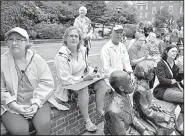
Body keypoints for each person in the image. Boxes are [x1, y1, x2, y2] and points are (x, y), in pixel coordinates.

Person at [53, 26, 109, 132]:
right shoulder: (61, 56)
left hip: (83, 81)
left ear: (79, 39)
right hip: (68, 87)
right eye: (71, 36)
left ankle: (99, 111)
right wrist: (83, 78)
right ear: (65, 39)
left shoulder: (82, 51)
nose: (74, 38)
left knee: (101, 83)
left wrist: (94, 73)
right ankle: (87, 121)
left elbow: (86, 68)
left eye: (76, 36)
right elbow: (65, 80)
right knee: (83, 88)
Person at [1, 27, 55, 135]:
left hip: (37, 99)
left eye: (19, 39)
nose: (14, 43)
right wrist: (16, 107)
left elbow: (47, 82)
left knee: (44, 126)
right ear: (7, 43)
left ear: (26, 42)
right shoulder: (2, 61)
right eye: (10, 39)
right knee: (19, 131)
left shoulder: (37, 59)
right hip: (11, 103)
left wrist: (35, 104)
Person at [133, 60, 178, 135]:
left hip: (150, 109)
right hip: (144, 115)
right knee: (166, 126)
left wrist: (159, 110)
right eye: (151, 72)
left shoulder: (145, 84)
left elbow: (150, 101)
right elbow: (146, 112)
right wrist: (162, 117)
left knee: (171, 115)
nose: (153, 74)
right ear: (144, 74)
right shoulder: (141, 90)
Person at [103, 70, 155, 135]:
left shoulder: (125, 96)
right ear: (121, 88)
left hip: (127, 129)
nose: (133, 83)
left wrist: (143, 130)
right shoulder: (115, 111)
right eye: (130, 82)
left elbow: (131, 116)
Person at [153, 44, 184, 135]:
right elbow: (162, 80)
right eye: (172, 51)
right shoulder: (161, 63)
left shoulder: (176, 64)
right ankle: (178, 127)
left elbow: (178, 79)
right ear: (167, 52)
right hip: (162, 90)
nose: (175, 53)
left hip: (173, 88)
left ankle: (178, 125)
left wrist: (182, 70)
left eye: (176, 51)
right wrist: (174, 80)